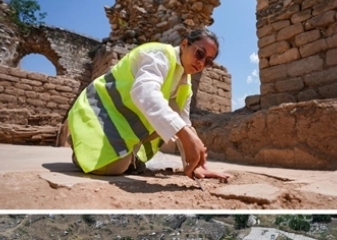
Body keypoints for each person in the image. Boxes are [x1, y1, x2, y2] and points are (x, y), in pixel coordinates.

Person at [67, 28, 230, 180]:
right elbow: (144, 92)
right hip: (99, 109)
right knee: (111, 168)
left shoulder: (185, 86)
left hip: (122, 122)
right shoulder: (158, 55)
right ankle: (79, 143)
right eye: (199, 53)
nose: (201, 63)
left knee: (124, 164)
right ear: (184, 44)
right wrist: (182, 132)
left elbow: (184, 122)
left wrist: (197, 165)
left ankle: (126, 156)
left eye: (207, 62)